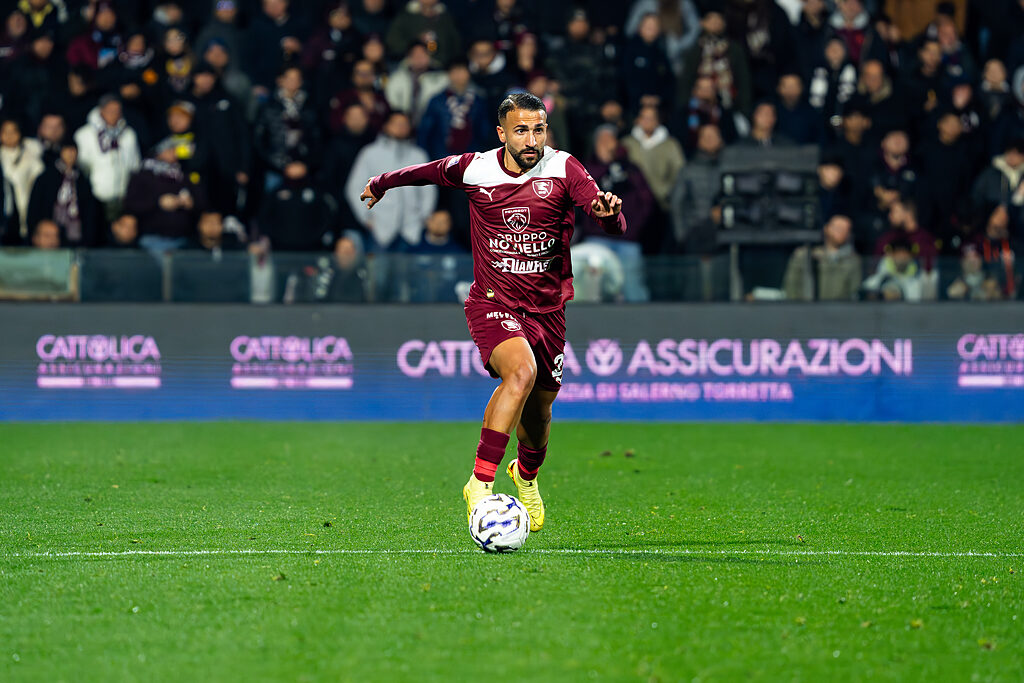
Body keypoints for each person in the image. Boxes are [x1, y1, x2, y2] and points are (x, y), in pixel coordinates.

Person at [356, 92, 626, 533]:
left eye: (538, 129)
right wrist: (383, 182)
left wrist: (608, 214)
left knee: (539, 414)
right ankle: (480, 483)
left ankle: (526, 475)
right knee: (520, 373)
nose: (531, 140)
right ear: (502, 133)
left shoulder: (564, 168)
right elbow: (427, 171)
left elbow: (606, 214)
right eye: (521, 130)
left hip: (548, 311)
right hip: (492, 302)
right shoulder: (476, 169)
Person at [782, 214, 861, 301]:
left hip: (838, 307)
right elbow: (791, 286)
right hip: (804, 306)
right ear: (826, 228)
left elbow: (854, 293)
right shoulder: (804, 256)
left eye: (845, 229)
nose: (841, 232)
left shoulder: (853, 261)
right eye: (837, 228)